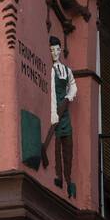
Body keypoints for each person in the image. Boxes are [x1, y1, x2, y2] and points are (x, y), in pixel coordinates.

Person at [48, 35, 78, 197]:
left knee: (68, 145)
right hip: (57, 110)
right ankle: (59, 176)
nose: (54, 52)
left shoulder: (66, 70)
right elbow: (52, 92)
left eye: (56, 49)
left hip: (64, 110)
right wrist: (53, 113)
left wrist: (69, 97)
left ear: (59, 50)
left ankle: (68, 179)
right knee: (57, 144)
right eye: (51, 50)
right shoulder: (52, 71)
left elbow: (73, 87)